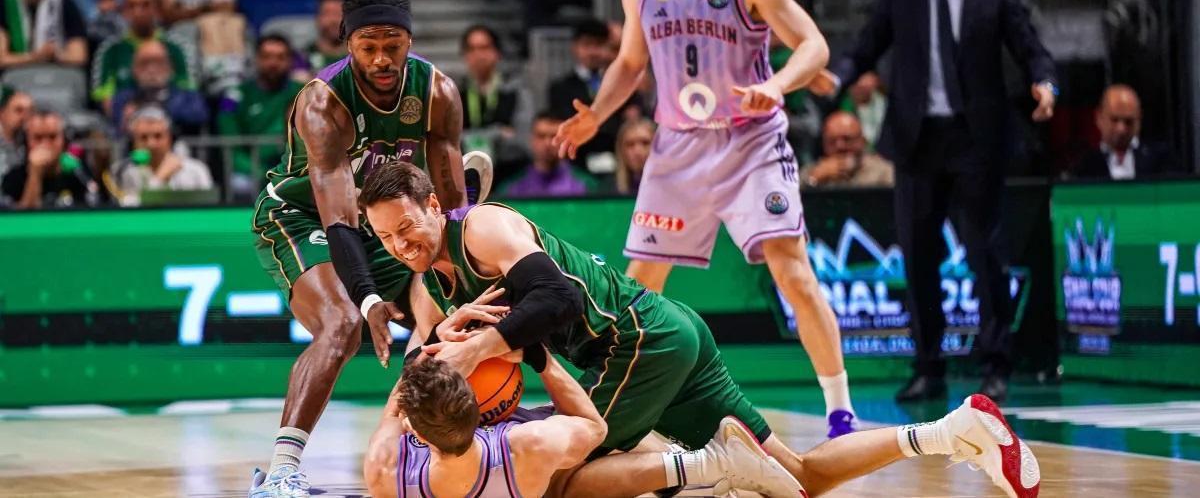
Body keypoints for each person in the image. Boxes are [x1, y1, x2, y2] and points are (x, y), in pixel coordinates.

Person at [358, 161, 1042, 498]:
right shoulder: (430, 284)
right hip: (673, 336)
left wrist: (482, 342)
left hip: (639, 340)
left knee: (561, 480)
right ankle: (954, 431)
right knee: (799, 480)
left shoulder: (484, 227)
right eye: (386, 239)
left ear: (434, 206)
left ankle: (706, 466)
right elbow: (423, 372)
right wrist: (438, 338)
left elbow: (559, 298)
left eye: (407, 225)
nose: (401, 244)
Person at [553, 0, 857, 437]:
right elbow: (629, 63)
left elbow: (813, 44)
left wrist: (777, 84)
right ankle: (625, 412)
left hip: (749, 143)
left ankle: (840, 409)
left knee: (792, 273)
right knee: (638, 287)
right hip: (678, 147)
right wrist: (597, 114)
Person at [245, 0, 492, 498]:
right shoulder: (322, 102)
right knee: (341, 324)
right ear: (348, 44)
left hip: (380, 220)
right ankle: (281, 472)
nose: (381, 59)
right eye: (367, 47)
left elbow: (448, 213)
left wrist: (462, 258)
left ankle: (435, 448)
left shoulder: (438, 92)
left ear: (410, 42)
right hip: (300, 217)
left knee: (449, 309)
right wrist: (371, 297)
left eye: (392, 45)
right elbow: (338, 219)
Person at [815, 0, 1058, 404]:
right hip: (917, 140)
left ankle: (996, 365)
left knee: (986, 253)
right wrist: (837, 74)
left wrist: (1045, 82)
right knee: (918, 258)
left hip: (976, 140)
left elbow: (1030, 47)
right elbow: (866, 46)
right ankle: (929, 366)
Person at [360, 348, 609, 498]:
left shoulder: (384, 469)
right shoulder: (530, 444)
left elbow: (392, 416)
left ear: (415, 432)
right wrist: (540, 357)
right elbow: (596, 429)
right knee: (634, 445)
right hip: (526, 472)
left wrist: (431, 341)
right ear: (476, 403)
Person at [548, 18, 641, 174]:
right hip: (577, 161)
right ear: (575, 47)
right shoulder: (560, 87)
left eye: (598, 45)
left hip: (618, 159)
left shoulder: (622, 83)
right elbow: (565, 124)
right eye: (587, 45)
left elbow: (631, 119)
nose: (593, 52)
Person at [217, 34, 303, 200]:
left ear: (290, 61)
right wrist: (262, 173)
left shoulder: (304, 92)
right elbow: (231, 148)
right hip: (252, 170)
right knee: (240, 184)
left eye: (280, 57)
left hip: (294, 169)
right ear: (256, 59)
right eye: (266, 57)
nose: (273, 63)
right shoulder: (234, 97)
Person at [90, 0, 196, 113]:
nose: (138, 12)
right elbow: (103, 96)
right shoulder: (110, 49)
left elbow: (189, 93)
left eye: (145, 5)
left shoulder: (177, 47)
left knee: (226, 104)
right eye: (132, 6)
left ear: (157, 9)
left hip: (172, 121)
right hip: (124, 123)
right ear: (125, 12)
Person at [455, 24, 532, 180]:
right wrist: (498, 133)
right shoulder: (454, 92)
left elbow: (523, 140)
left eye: (484, 48)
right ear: (465, 55)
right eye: (471, 49)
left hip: (510, 174)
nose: (478, 55)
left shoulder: (516, 91)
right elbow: (449, 141)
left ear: (497, 53)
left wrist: (472, 137)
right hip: (466, 176)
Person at [112, 104, 214, 206]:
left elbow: (210, 210)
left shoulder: (195, 170)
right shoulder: (122, 172)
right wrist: (159, 179)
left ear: (170, 138)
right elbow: (127, 210)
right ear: (133, 142)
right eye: (143, 138)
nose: (151, 144)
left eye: (158, 136)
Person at [1070, 84, 1177, 180]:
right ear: (1099, 118)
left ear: (1139, 120)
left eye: (1128, 121)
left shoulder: (1161, 160)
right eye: (1114, 120)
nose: (1121, 129)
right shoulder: (1084, 165)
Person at [1, 110, 99, 209]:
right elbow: (22, 221)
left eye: (52, 137)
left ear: (64, 140)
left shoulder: (79, 174)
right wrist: (35, 174)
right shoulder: (13, 179)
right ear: (26, 142)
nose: (45, 144)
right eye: (38, 138)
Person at [110, 39, 209, 133]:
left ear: (170, 68)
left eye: (158, 62)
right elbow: (117, 129)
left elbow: (200, 116)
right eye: (144, 63)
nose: (151, 70)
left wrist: (160, 107)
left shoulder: (188, 97)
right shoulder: (122, 98)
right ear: (134, 69)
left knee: (224, 104)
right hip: (134, 149)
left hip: (179, 148)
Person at [498, 112, 598, 198]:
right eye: (541, 136)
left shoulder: (586, 186)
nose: (548, 143)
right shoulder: (511, 188)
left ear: (566, 140)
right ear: (531, 140)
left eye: (555, 136)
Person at [799, 111, 894, 188]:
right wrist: (814, 179)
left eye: (847, 139)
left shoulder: (884, 172)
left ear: (862, 141)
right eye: (832, 141)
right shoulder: (811, 171)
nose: (840, 146)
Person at [295, 0, 346, 77]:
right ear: (317, 19)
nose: (333, 20)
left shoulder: (357, 56)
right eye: (327, 14)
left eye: (338, 14)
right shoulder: (303, 57)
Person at [613, 117, 653, 195]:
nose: (638, 151)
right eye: (630, 144)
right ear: (621, 150)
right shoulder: (607, 189)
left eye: (645, 143)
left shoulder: (674, 186)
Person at [0, 86, 34, 177]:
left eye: (30, 111)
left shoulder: (31, 143)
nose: (26, 116)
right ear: (2, 113)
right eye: (19, 110)